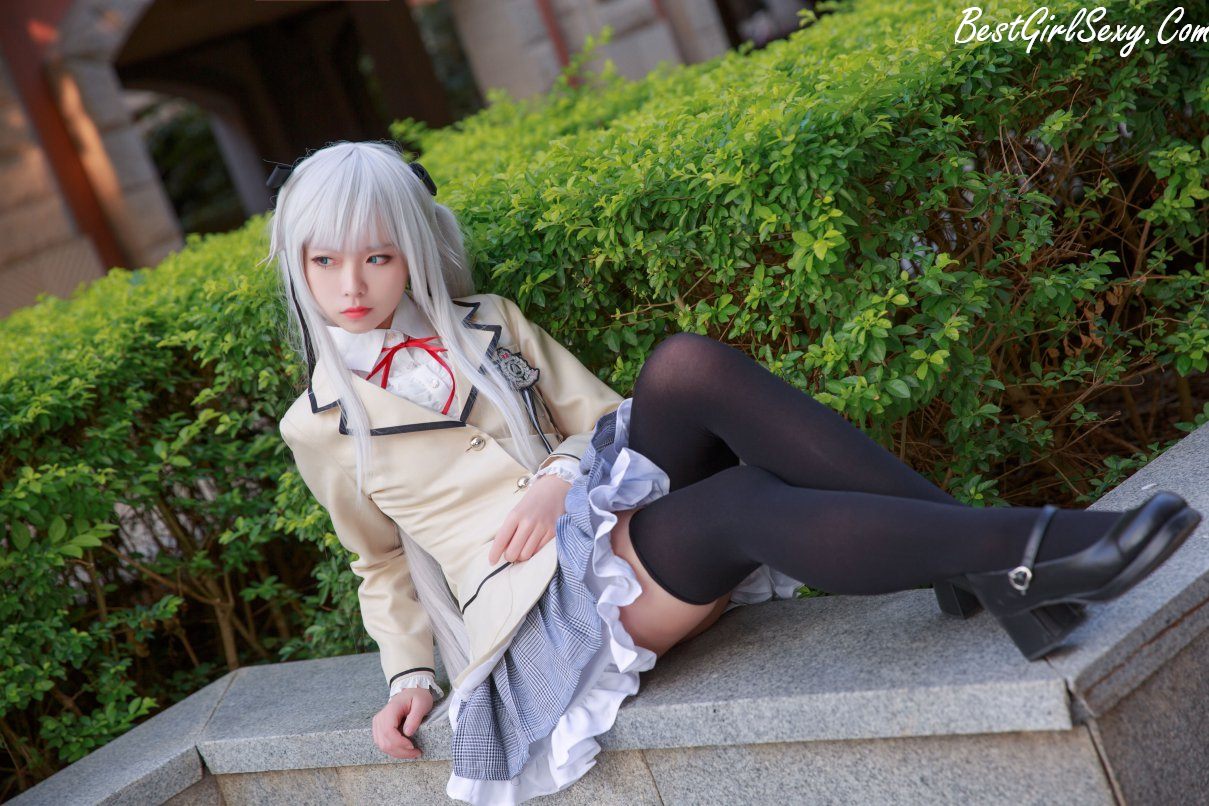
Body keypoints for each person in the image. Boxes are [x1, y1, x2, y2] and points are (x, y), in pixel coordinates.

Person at [265, 141, 1202, 804]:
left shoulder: (489, 321)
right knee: (743, 499)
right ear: (297, 266)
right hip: (547, 606)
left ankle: (987, 563)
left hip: (592, 507)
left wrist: (556, 475)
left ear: (413, 248)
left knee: (684, 364)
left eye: (378, 256)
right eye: (326, 261)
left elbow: (600, 420)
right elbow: (379, 561)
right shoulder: (316, 423)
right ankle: (1028, 547)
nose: (353, 285)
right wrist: (410, 677)